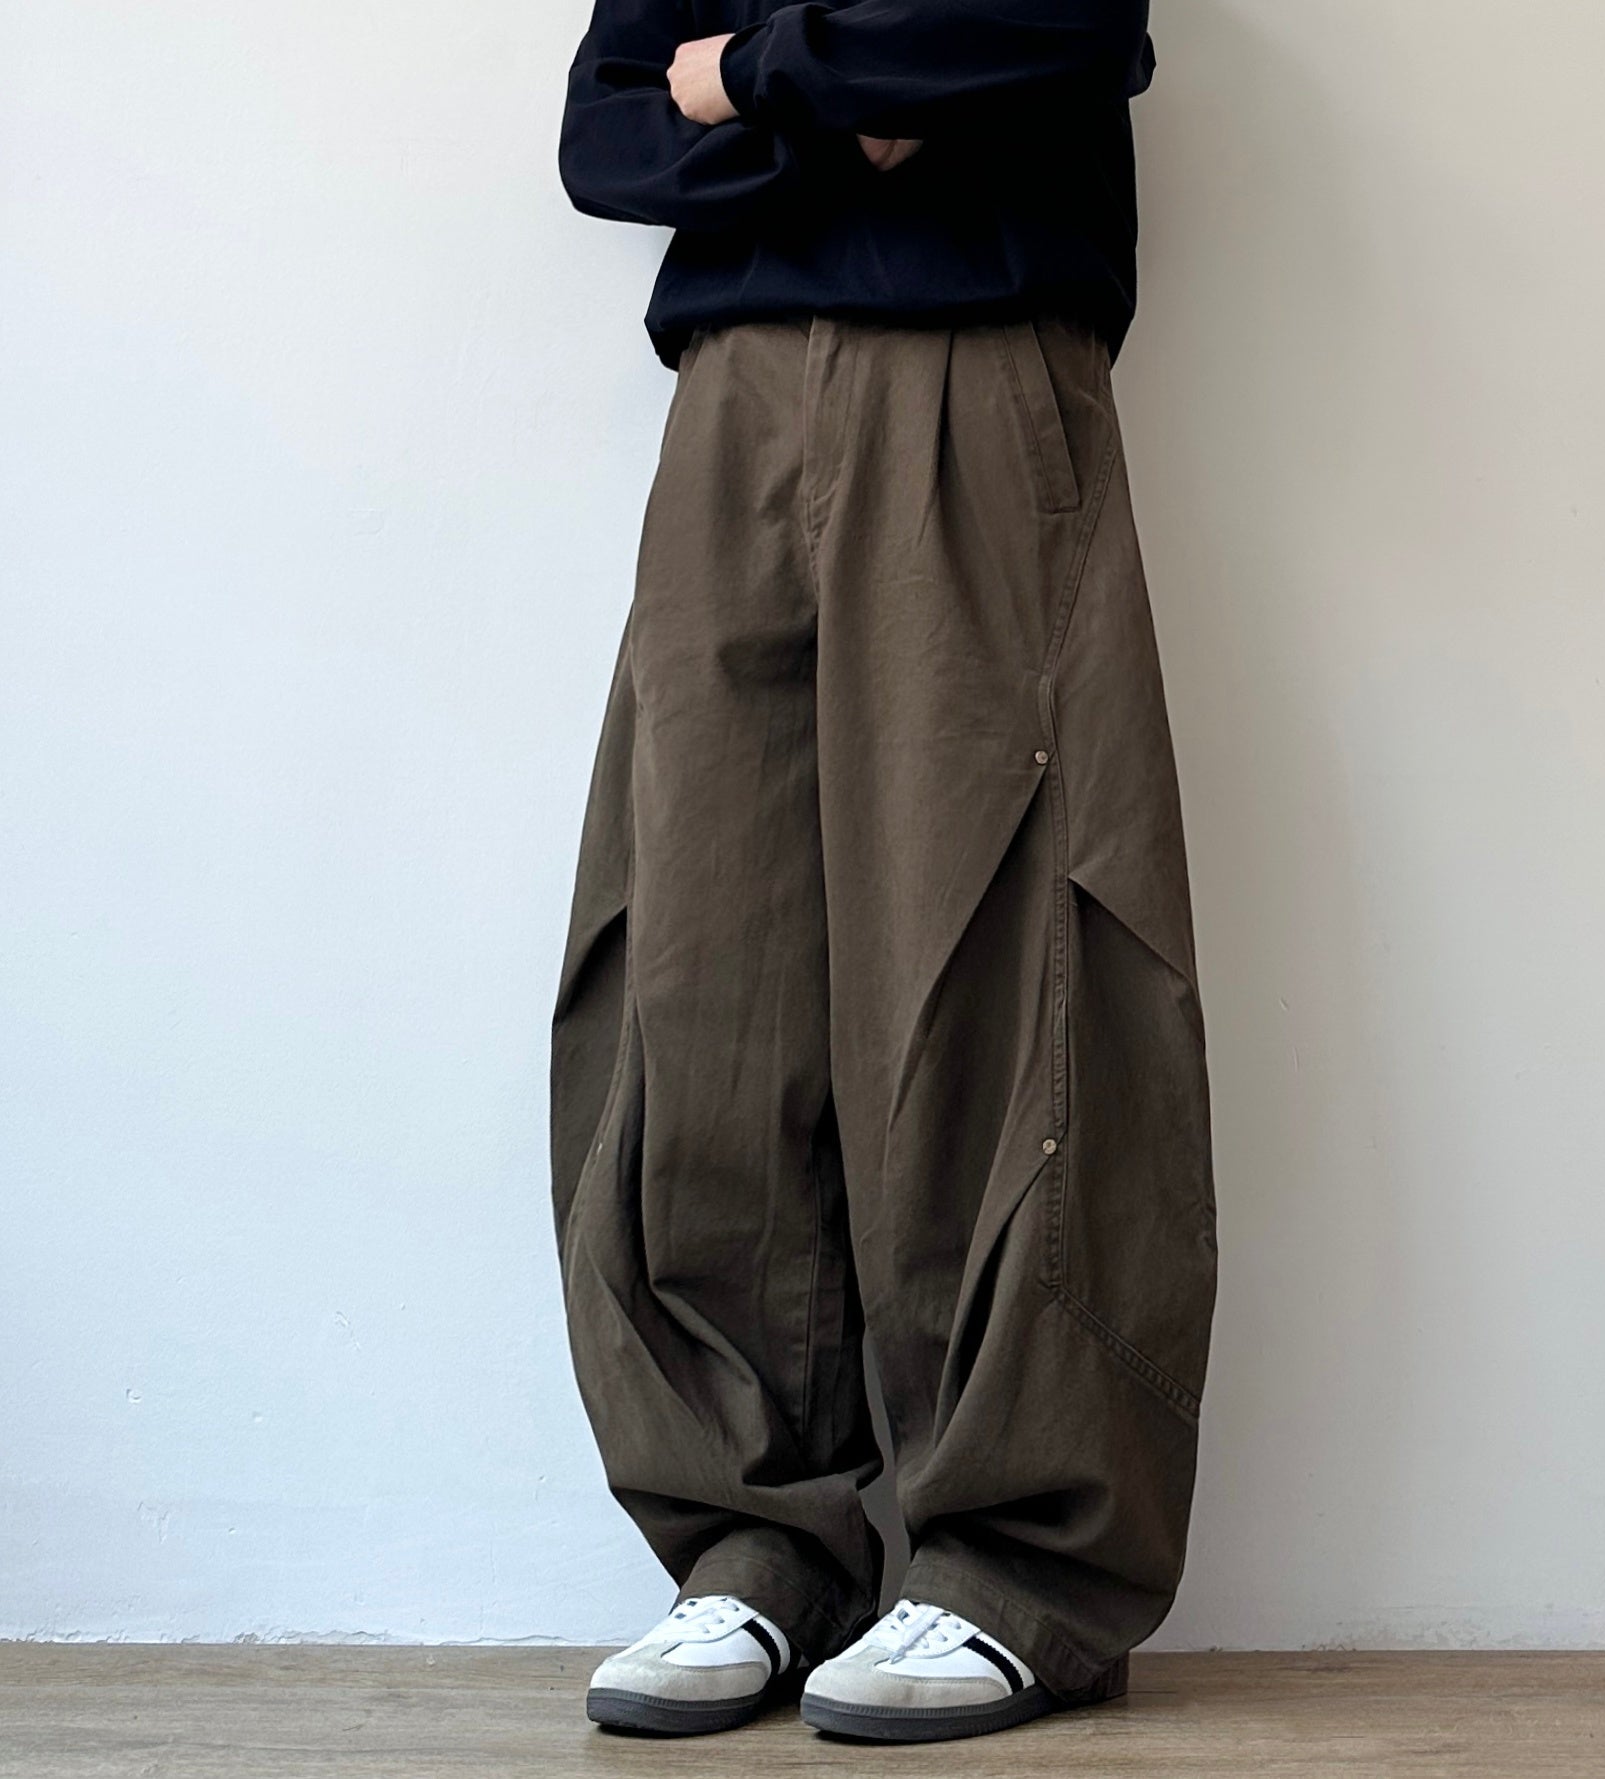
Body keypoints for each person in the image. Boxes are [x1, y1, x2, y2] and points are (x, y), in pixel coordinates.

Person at [547, 0, 1217, 1745]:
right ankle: (760, 1542)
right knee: (705, 966)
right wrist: (865, 97)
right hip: (735, 402)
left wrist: (752, 74)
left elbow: (1059, 30)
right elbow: (608, 133)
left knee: (991, 950)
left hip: (978, 363)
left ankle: (1014, 1562)